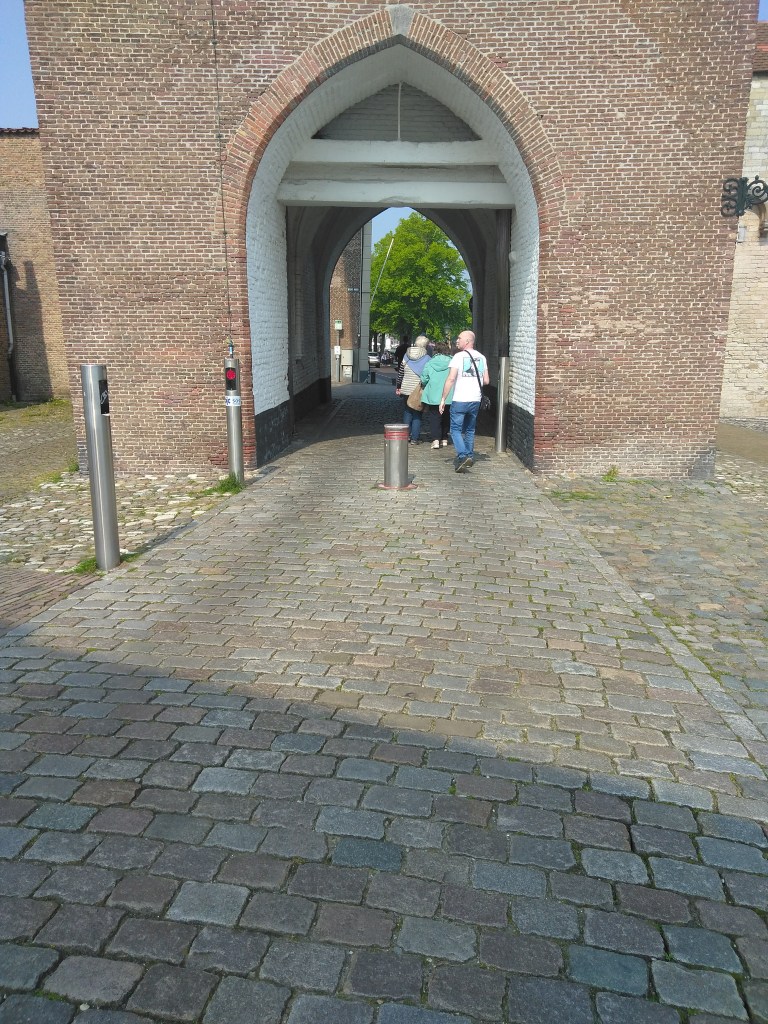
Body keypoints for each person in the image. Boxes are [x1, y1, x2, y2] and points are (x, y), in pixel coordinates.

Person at [439, 329, 489, 472]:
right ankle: (470, 456)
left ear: (467, 341)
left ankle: (462, 456)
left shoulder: (458, 357)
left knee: (455, 430)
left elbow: (451, 379)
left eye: (459, 338)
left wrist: (443, 399)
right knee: (470, 430)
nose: (457, 340)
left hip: (460, 399)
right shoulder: (482, 357)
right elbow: (486, 380)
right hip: (475, 400)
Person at [395, 335, 430, 444]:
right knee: (417, 413)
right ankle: (414, 438)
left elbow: (401, 372)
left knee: (407, 411)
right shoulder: (427, 359)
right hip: (418, 390)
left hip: (406, 388)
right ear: (425, 346)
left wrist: (398, 387)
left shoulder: (406, 356)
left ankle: (406, 436)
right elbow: (428, 375)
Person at [420, 341, 453, 449]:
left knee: (435, 416)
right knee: (446, 416)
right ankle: (444, 438)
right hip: (449, 394)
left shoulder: (430, 363)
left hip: (433, 394)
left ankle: (435, 440)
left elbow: (424, 378)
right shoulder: (452, 362)